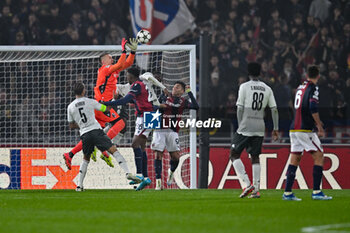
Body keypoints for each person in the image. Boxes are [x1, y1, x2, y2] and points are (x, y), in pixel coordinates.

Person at [63, 38, 138, 169]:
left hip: (101, 106)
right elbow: (120, 62)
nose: (112, 59)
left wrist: (132, 51)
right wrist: (123, 50)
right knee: (120, 123)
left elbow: (127, 63)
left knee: (94, 133)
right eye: (110, 58)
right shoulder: (104, 69)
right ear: (104, 61)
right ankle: (103, 147)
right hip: (103, 106)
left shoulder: (112, 71)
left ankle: (70, 154)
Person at [66, 82, 141, 191]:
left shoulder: (70, 107)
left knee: (86, 159)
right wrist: (111, 103)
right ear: (83, 91)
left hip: (85, 134)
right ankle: (127, 172)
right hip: (96, 131)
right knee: (114, 151)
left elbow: (71, 125)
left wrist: (82, 125)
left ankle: (79, 185)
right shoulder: (90, 102)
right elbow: (105, 109)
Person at [103, 67, 168, 191]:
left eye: (127, 75)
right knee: (141, 146)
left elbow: (126, 99)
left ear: (131, 75)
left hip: (149, 116)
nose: (126, 77)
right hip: (143, 116)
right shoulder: (139, 84)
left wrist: (106, 104)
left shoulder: (137, 85)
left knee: (135, 144)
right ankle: (145, 177)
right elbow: (132, 99)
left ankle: (139, 175)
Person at [283, 65, 332, 201]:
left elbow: (297, 105)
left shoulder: (300, 87)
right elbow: (313, 106)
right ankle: (316, 191)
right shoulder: (313, 87)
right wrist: (319, 125)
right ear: (318, 76)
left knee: (295, 158)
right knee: (319, 156)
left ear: (306, 75)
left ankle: (287, 193)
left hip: (294, 128)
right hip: (305, 129)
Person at [230, 62, 279, 198]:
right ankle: (256, 189)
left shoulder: (244, 87)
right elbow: (274, 109)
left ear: (248, 73)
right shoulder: (267, 88)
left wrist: (240, 124)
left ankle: (246, 184)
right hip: (259, 125)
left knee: (234, 155)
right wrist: (275, 129)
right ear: (260, 73)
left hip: (246, 124)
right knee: (255, 157)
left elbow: (240, 108)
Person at [152, 81, 199, 190]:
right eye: (174, 86)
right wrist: (159, 106)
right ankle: (158, 182)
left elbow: (196, 107)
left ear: (182, 91)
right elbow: (152, 107)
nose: (174, 88)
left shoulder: (183, 101)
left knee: (175, 157)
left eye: (177, 87)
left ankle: (171, 172)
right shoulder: (164, 96)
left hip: (173, 131)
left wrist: (190, 92)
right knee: (158, 154)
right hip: (159, 129)